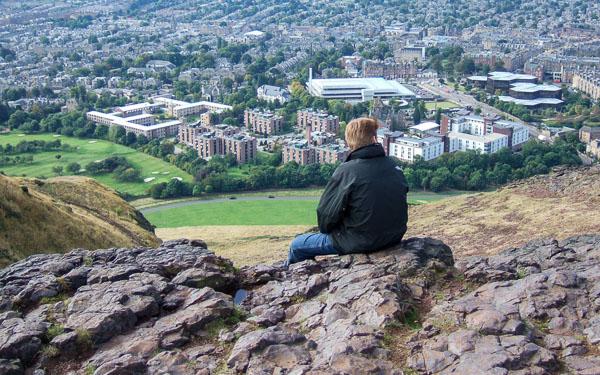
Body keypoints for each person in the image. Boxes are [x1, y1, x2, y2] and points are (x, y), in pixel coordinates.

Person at [286, 117, 409, 265]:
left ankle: (296, 278)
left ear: (349, 142)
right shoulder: (393, 165)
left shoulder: (347, 171)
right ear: (374, 138)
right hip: (394, 237)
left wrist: (337, 231)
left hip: (361, 241)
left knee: (297, 245)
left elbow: (326, 216)